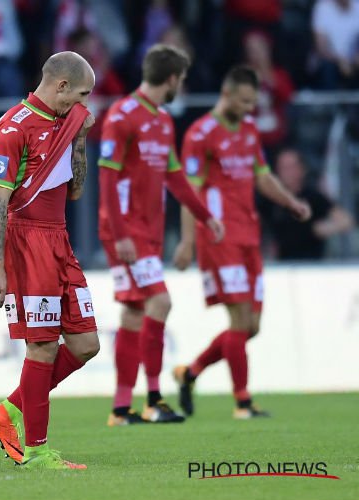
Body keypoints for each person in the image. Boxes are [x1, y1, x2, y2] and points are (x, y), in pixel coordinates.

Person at [0, 51, 100, 470]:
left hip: (58, 239)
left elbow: (77, 191)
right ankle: (37, 451)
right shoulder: (13, 127)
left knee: (86, 345)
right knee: (43, 345)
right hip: (26, 239)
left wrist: (80, 138)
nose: (85, 103)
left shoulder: (67, 122)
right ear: (61, 85)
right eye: (82, 93)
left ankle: (9, 410)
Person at [172, 66, 312, 419]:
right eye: (245, 101)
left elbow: (261, 176)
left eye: (254, 102)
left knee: (251, 326)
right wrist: (188, 240)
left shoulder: (249, 129)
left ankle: (190, 372)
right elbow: (191, 190)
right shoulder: (201, 134)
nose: (250, 109)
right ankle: (243, 402)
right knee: (239, 319)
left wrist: (290, 201)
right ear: (228, 93)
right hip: (219, 237)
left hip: (249, 234)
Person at [97, 44, 224, 427]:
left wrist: (204, 216)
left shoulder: (163, 121)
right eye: (181, 80)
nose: (180, 87)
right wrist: (120, 235)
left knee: (135, 312)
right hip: (126, 231)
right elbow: (106, 176)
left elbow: (173, 176)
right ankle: (153, 399)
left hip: (146, 232)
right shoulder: (122, 115)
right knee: (160, 302)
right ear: (171, 78)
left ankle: (121, 409)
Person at [262, 148, 354, 260]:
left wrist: (323, 228)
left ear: (302, 169)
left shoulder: (313, 197)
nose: (287, 172)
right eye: (283, 168)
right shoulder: (271, 199)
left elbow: (346, 220)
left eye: (291, 167)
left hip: (311, 264)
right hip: (282, 265)